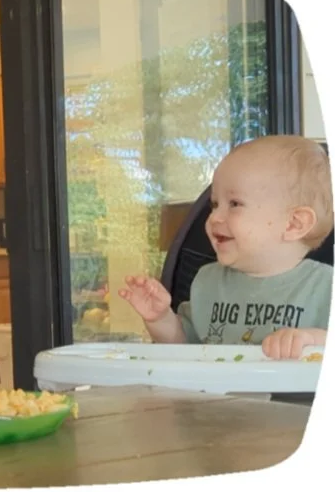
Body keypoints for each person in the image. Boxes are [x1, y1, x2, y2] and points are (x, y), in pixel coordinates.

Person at [119, 134, 333, 360]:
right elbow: (183, 347)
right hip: (215, 396)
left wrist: (313, 340)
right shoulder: (208, 281)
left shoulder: (325, 287)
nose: (213, 218)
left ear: (294, 224)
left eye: (235, 204)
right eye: (214, 204)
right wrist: (160, 319)